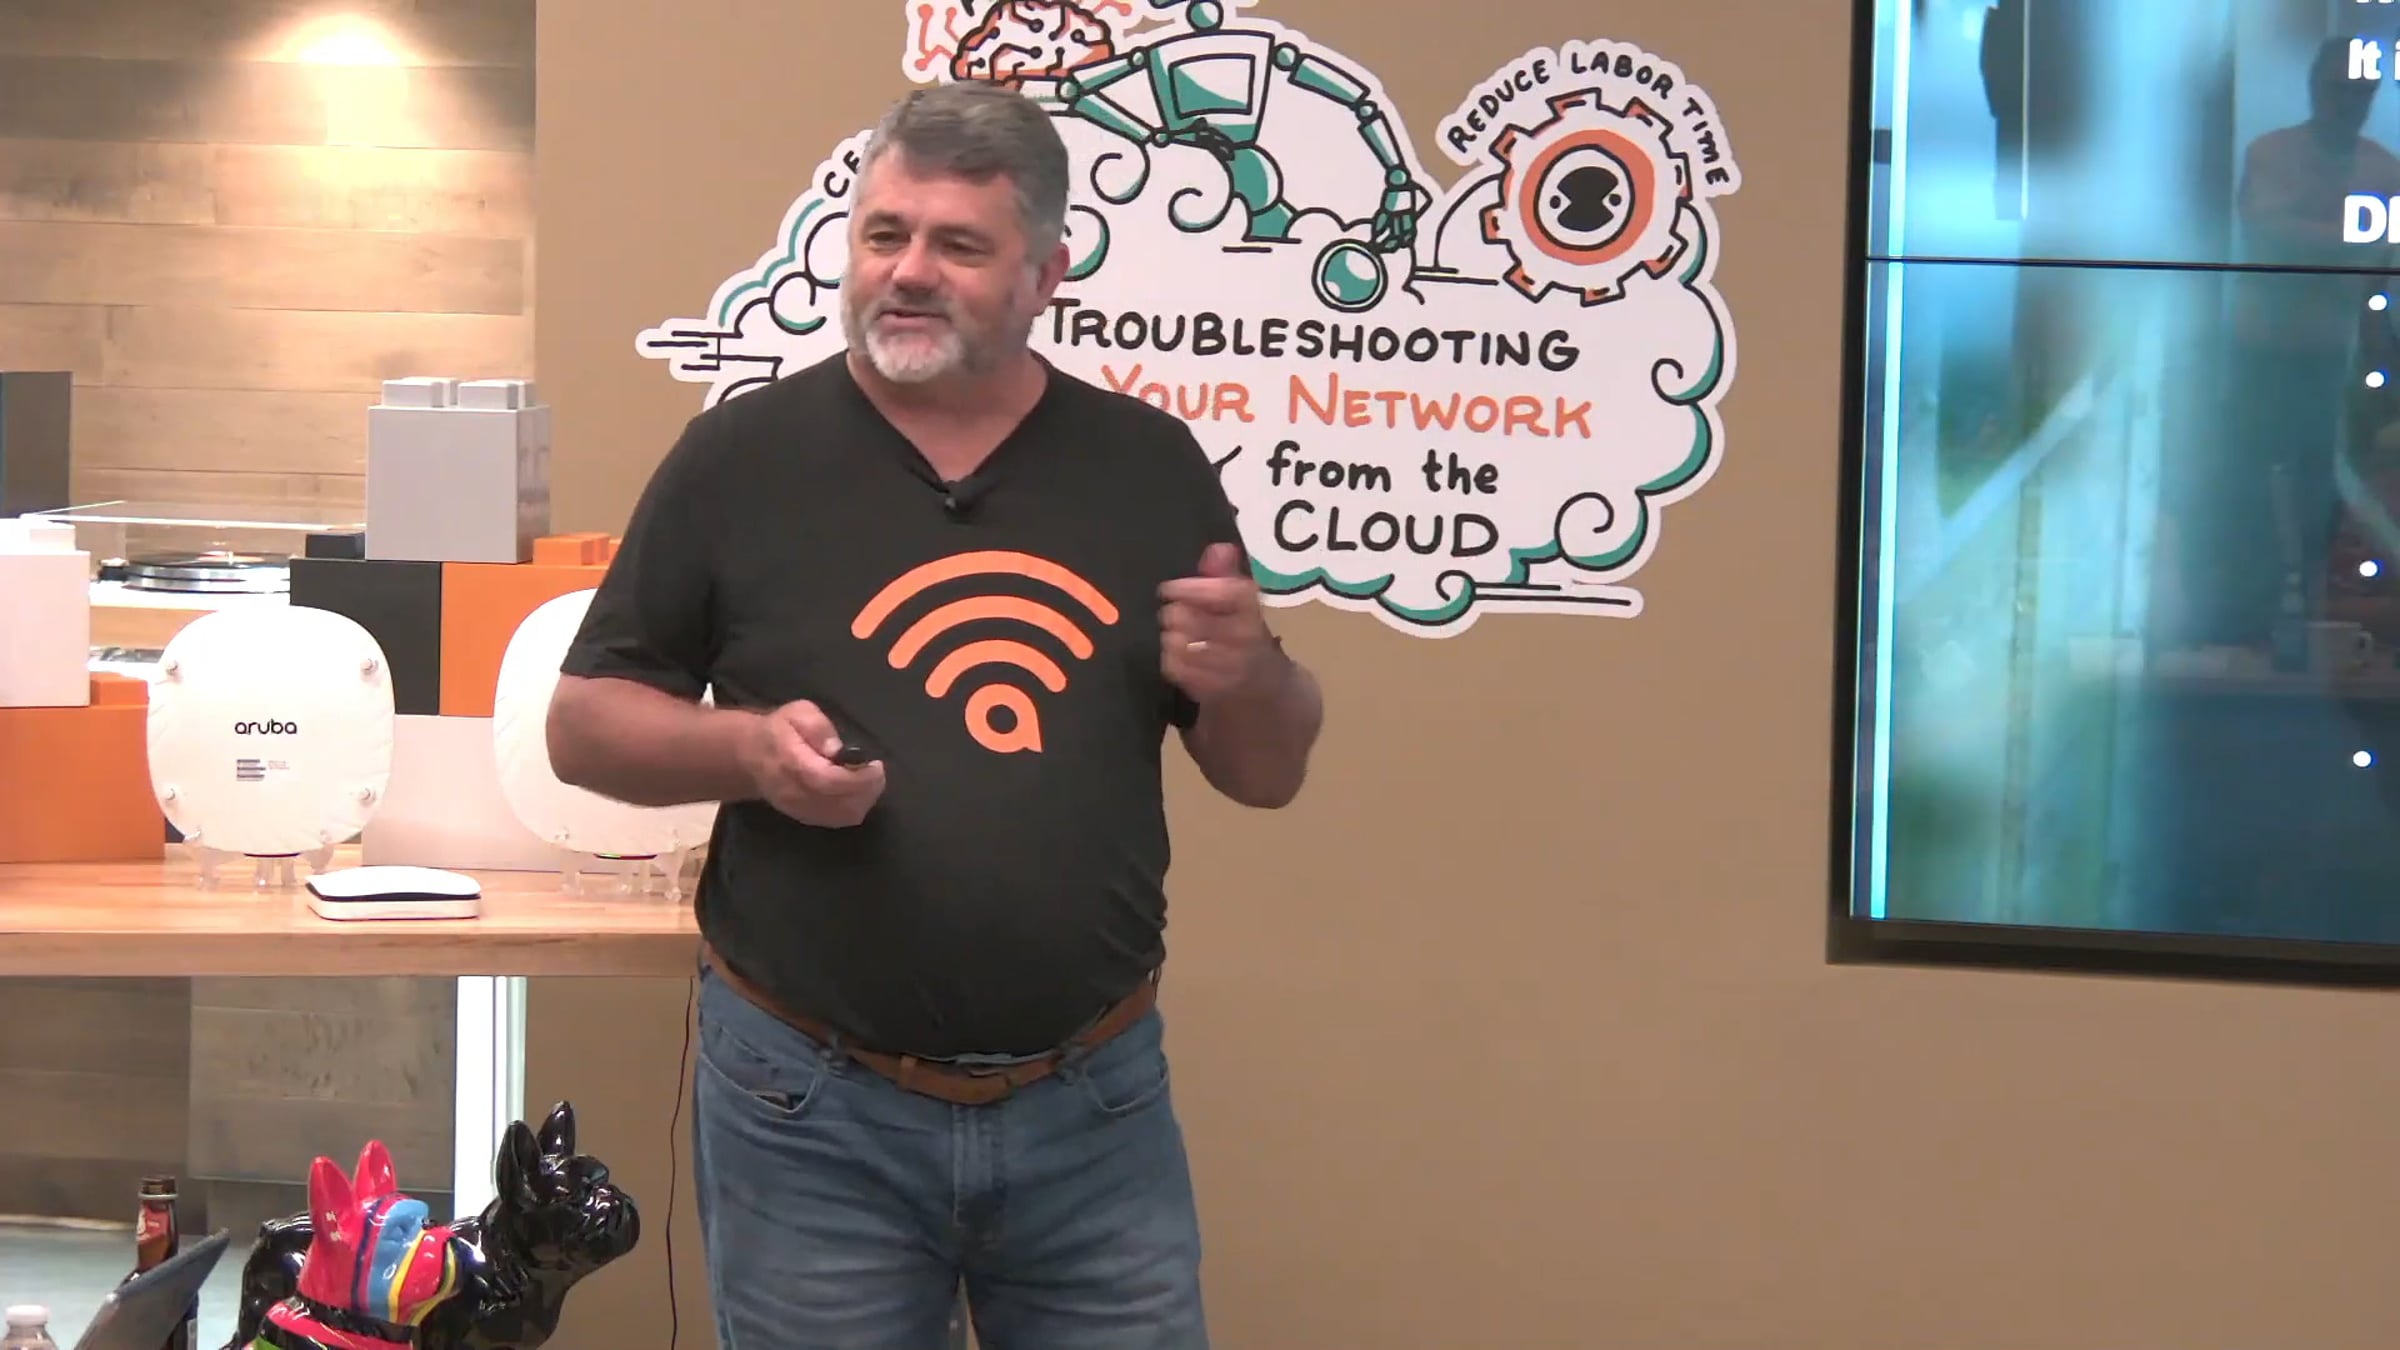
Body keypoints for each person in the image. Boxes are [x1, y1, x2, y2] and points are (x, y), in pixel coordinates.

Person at [544, 78, 1325, 1350]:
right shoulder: (738, 460)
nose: (908, 272)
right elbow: (583, 726)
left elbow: (1266, 770)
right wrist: (749, 753)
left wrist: (1254, 676)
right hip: (807, 1106)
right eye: (884, 234)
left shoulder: (1146, 467)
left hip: (1095, 1106)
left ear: (1045, 274)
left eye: (959, 244)